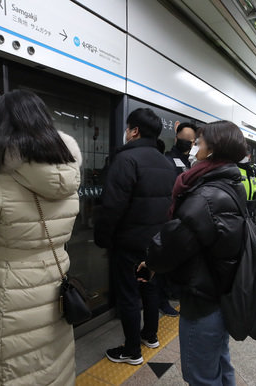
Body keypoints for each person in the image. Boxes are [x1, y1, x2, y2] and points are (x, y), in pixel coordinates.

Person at [0, 90, 82, 385]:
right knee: (49, 368)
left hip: (9, 301)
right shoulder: (69, 181)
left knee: (10, 372)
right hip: (53, 291)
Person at [142, 120, 247, 385]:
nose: (195, 147)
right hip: (220, 290)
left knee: (200, 375)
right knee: (220, 363)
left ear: (212, 149)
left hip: (203, 297)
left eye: (200, 142)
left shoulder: (206, 195)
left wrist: (151, 260)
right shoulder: (230, 182)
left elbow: (176, 240)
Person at [94, 108, 176, 365]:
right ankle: (150, 335)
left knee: (129, 294)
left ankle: (131, 350)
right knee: (150, 287)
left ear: (135, 131)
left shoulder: (125, 160)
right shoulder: (166, 163)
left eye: (128, 129)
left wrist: (103, 238)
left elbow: (112, 206)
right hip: (156, 242)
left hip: (128, 242)